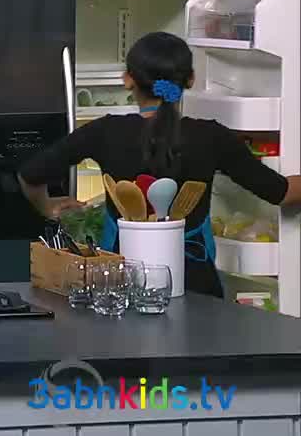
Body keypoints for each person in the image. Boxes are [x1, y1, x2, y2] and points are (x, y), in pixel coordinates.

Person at [19, 31, 301, 298]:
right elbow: (282, 192)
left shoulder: (104, 131)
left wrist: (47, 206)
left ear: (128, 79)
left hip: (117, 283)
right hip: (195, 285)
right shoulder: (212, 136)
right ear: (190, 80)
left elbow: (30, 175)